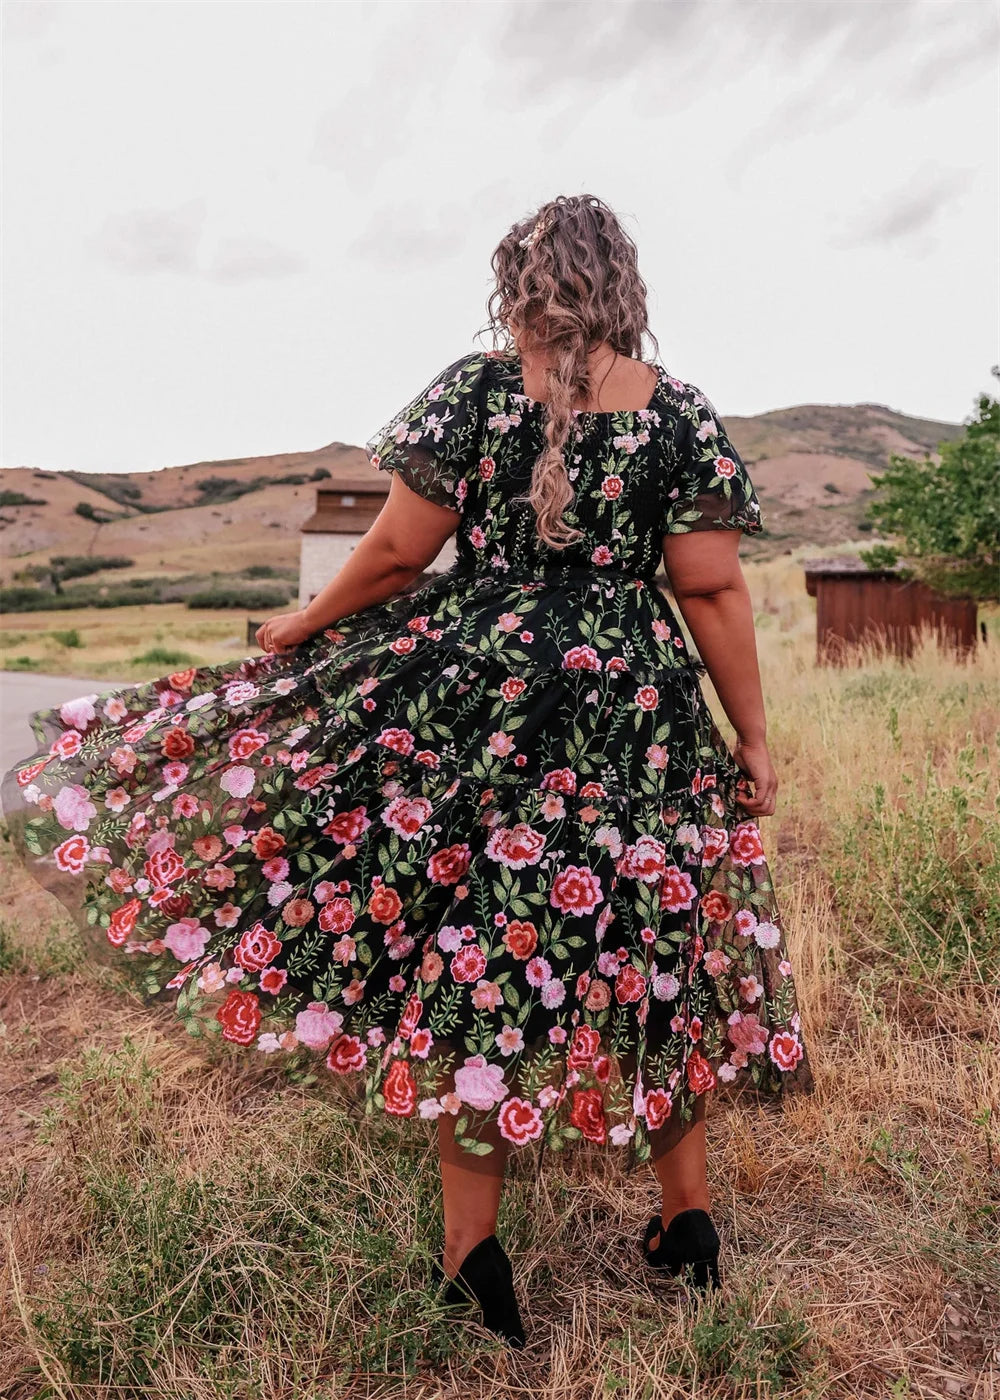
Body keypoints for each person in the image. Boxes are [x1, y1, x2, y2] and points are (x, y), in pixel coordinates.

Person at [1, 193, 814, 1351]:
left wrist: (301, 625)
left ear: (517, 286)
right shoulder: (677, 413)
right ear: (624, 286)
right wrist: (753, 738)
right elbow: (712, 589)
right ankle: (688, 1223)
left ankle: (470, 1256)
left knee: (476, 958)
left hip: (474, 704)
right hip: (637, 716)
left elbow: (394, 550)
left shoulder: (477, 391)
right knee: (652, 949)